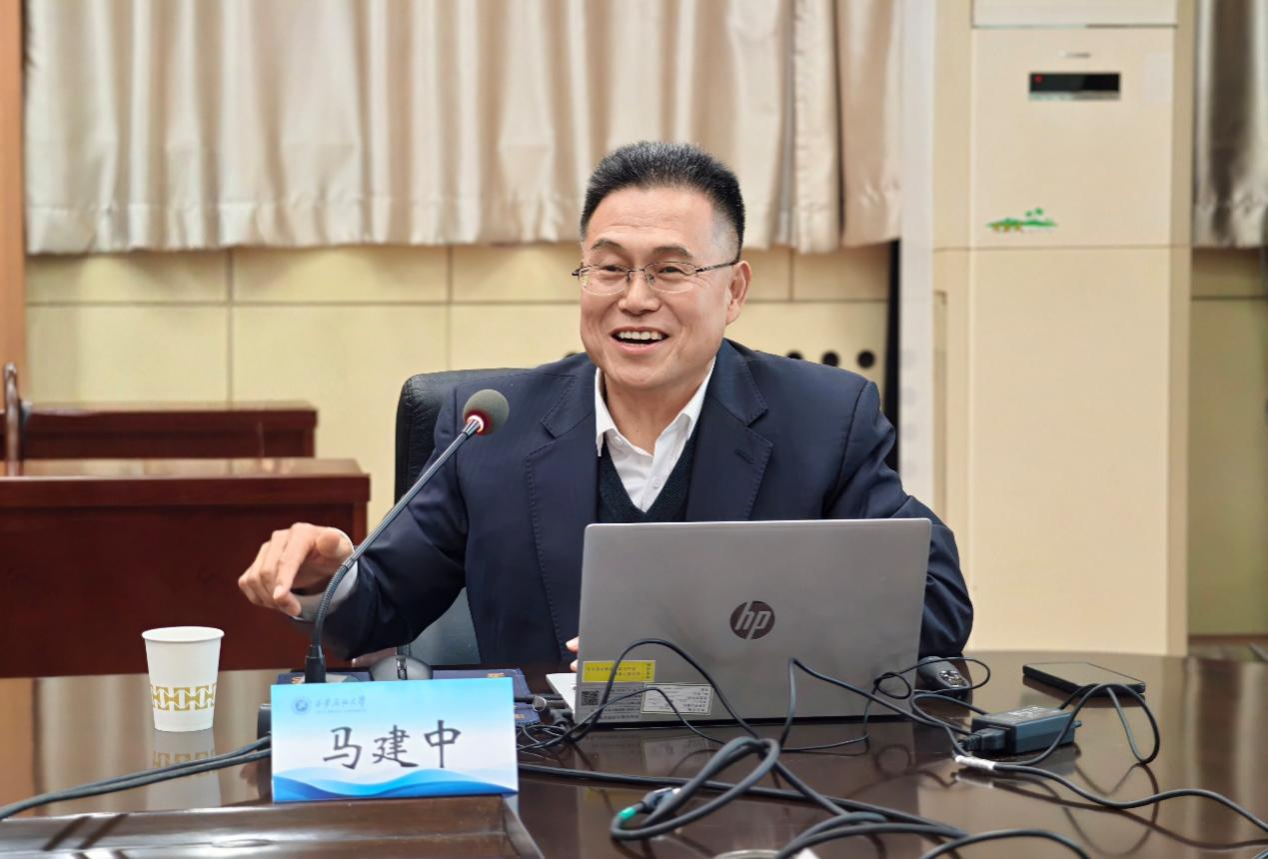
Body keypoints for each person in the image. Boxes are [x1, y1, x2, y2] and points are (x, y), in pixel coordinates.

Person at [238, 141, 973, 664]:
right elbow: (375, 608)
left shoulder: (822, 419)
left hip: (754, 778)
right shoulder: (489, 426)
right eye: (610, 268)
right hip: (543, 782)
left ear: (734, 290)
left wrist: (718, 633)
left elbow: (936, 604)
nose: (635, 299)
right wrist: (328, 579)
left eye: (670, 270)